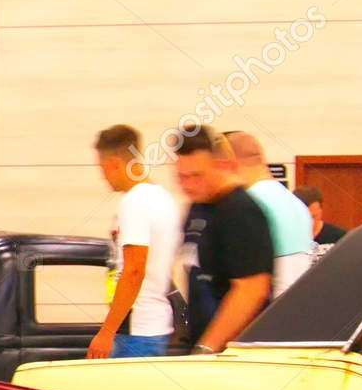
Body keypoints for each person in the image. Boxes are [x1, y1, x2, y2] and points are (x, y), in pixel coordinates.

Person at [87, 124, 183, 359]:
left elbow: (134, 270)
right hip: (155, 325)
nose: (103, 176)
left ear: (115, 164)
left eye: (102, 168)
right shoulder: (163, 198)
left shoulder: (135, 202)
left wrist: (107, 332)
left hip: (136, 330)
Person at [175, 128, 273, 353]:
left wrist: (207, 347)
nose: (188, 185)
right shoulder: (198, 207)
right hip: (203, 347)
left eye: (197, 176)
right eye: (182, 177)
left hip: (232, 355)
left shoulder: (241, 211)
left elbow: (252, 289)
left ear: (223, 166)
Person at [226, 132, 314, 297]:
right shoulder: (296, 203)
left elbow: (246, 283)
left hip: (270, 312)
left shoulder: (250, 203)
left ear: (229, 164)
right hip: (300, 305)